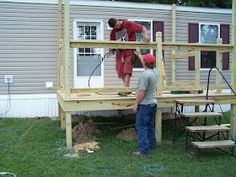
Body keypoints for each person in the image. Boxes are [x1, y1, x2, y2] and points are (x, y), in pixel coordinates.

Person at [108, 18, 149, 96]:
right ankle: (127, 89)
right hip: (120, 53)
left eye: (118, 24)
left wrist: (146, 35)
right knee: (120, 70)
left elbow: (142, 28)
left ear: (118, 20)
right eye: (116, 26)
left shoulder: (128, 24)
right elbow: (110, 46)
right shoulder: (113, 32)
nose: (118, 26)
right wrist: (115, 44)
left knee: (127, 69)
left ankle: (126, 89)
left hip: (130, 50)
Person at [133, 52, 159, 157]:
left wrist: (136, 104)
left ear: (145, 63)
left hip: (145, 105)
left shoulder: (145, 75)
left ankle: (143, 151)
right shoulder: (155, 72)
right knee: (150, 125)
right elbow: (146, 62)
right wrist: (139, 55)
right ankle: (152, 144)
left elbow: (142, 91)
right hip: (153, 104)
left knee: (141, 127)